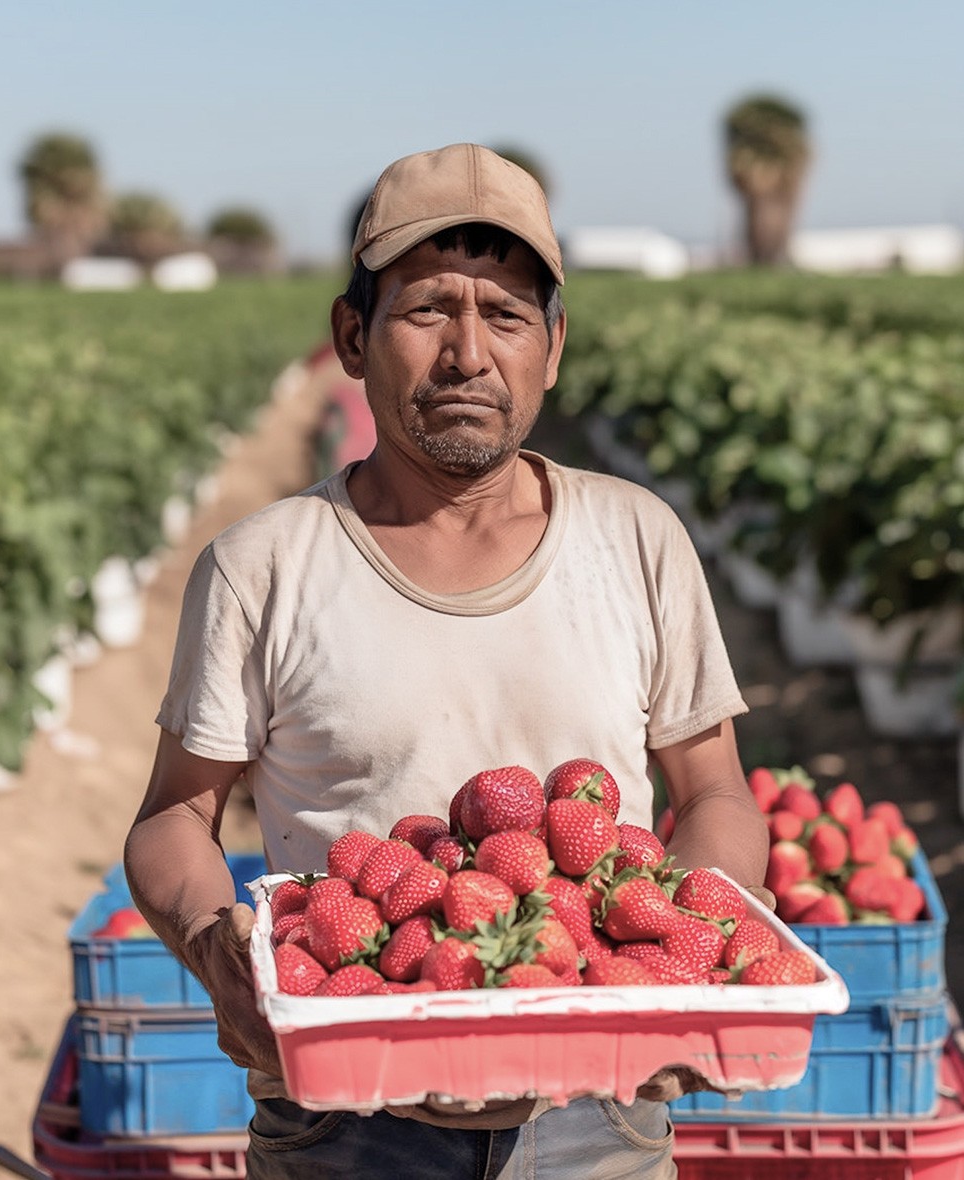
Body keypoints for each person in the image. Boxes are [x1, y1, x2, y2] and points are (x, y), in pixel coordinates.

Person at [124, 142, 770, 1180]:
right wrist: (214, 948)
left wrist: (684, 942)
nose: (469, 353)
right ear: (350, 336)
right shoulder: (263, 565)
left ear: (552, 347)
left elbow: (714, 792)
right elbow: (173, 815)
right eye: (427, 310)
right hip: (346, 1110)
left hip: (598, 1106)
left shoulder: (637, 539)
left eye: (507, 315)